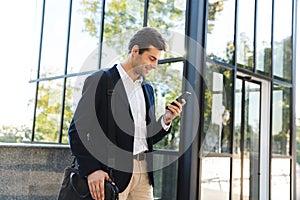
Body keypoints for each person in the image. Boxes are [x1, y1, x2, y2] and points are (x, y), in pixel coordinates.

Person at [68, 27, 185, 200]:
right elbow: (77, 131)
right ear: (135, 51)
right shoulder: (101, 80)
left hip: (143, 173)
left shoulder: (148, 89)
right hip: (112, 174)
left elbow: (146, 135)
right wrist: (92, 169)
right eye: (151, 58)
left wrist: (165, 120)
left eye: (157, 61)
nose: (154, 65)